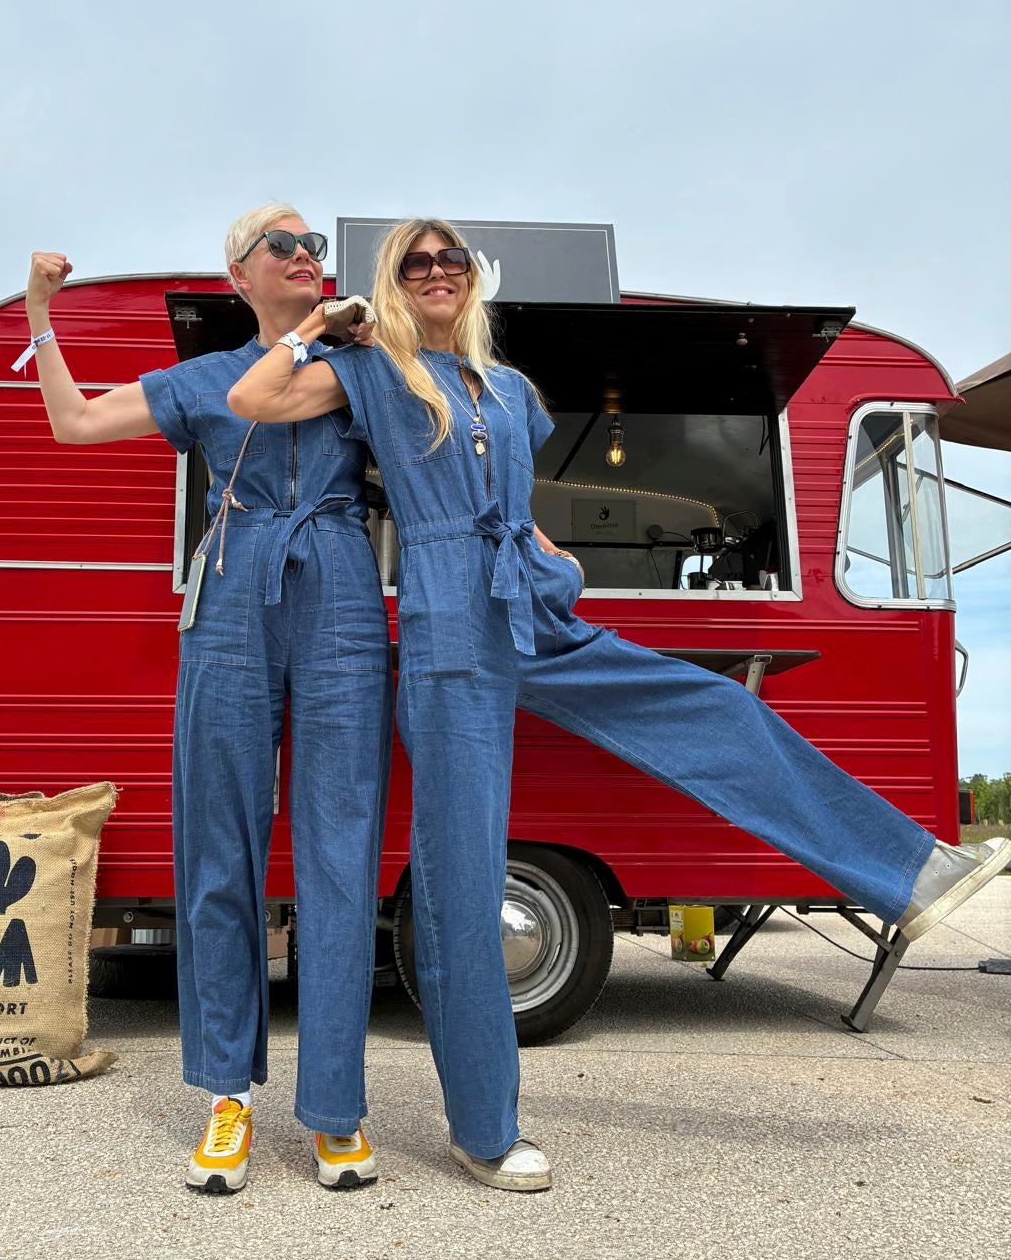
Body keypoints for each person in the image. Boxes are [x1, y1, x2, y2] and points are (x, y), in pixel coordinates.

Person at [227, 215, 1011, 1194]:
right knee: (463, 885)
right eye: (415, 261)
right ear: (397, 281)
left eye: (450, 259)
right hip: (448, 628)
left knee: (719, 709)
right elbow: (253, 395)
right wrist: (323, 326)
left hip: (533, 604)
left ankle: (910, 871)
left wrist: (552, 551)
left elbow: (514, 497)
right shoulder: (375, 369)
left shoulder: (511, 390)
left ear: (473, 279)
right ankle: (485, 1129)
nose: (436, 272)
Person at [19, 205, 393, 1195]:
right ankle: (226, 1095)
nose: (309, 258)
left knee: (340, 850)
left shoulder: (360, 362)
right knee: (219, 850)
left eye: (316, 246)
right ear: (240, 272)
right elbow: (73, 423)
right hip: (231, 591)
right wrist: (39, 315)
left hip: (343, 589)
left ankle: (336, 1109)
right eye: (286, 245)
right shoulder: (202, 380)